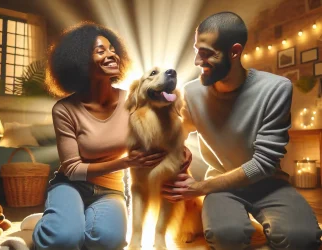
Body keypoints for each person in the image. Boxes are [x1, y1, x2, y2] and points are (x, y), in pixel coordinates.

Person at [162, 12, 322, 250]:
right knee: (226, 236)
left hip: (269, 183)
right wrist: (176, 157)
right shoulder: (192, 93)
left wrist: (200, 187)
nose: (197, 60)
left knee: (302, 239)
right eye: (197, 50)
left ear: (234, 52)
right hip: (220, 185)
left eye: (206, 53)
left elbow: (264, 163)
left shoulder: (276, 89)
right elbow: (175, 138)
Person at [32, 22, 169, 250]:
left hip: (111, 190)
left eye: (112, 48)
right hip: (70, 186)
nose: (111, 54)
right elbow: (73, 169)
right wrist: (125, 162)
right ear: (80, 61)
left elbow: (162, 133)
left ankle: (67, 220)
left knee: (108, 241)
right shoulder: (64, 109)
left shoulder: (133, 101)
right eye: (101, 51)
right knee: (63, 239)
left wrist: (179, 151)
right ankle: (47, 227)